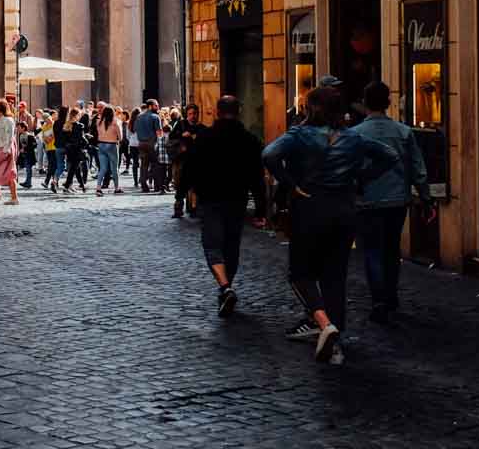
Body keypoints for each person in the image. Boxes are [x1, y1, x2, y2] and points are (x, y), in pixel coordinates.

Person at [264, 86, 398, 366]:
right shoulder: (355, 137)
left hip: (311, 207)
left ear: (312, 108)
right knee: (334, 276)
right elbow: (390, 156)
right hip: (344, 209)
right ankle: (336, 344)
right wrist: (361, 179)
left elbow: (269, 155)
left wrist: (291, 184)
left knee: (300, 273)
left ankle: (324, 324)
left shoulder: (300, 134)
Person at [177, 96, 267, 318]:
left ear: (217, 112)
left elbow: (190, 167)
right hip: (237, 200)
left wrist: (180, 195)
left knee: (212, 245)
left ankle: (225, 287)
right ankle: (227, 286)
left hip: (211, 199)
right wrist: (261, 209)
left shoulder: (205, 137)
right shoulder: (249, 140)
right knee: (231, 246)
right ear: (239, 112)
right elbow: (257, 177)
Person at [354, 80, 433, 322]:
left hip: (367, 201)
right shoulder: (403, 132)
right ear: (388, 103)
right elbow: (418, 168)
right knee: (391, 248)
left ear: (365, 104)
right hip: (397, 200)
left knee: (372, 250)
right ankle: (390, 296)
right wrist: (426, 198)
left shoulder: (355, 134)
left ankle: (379, 299)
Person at [134, 100, 161, 190]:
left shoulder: (139, 116)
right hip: (152, 143)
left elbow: (135, 129)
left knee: (143, 165)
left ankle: (143, 185)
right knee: (155, 164)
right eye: (156, 105)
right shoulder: (155, 117)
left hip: (141, 143)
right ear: (150, 106)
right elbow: (159, 132)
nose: (158, 107)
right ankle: (157, 185)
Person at [96, 105, 122, 195]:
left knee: (102, 168)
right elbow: (120, 136)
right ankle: (117, 187)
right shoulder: (115, 121)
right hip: (112, 144)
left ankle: (98, 188)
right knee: (114, 168)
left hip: (101, 144)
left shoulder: (99, 121)